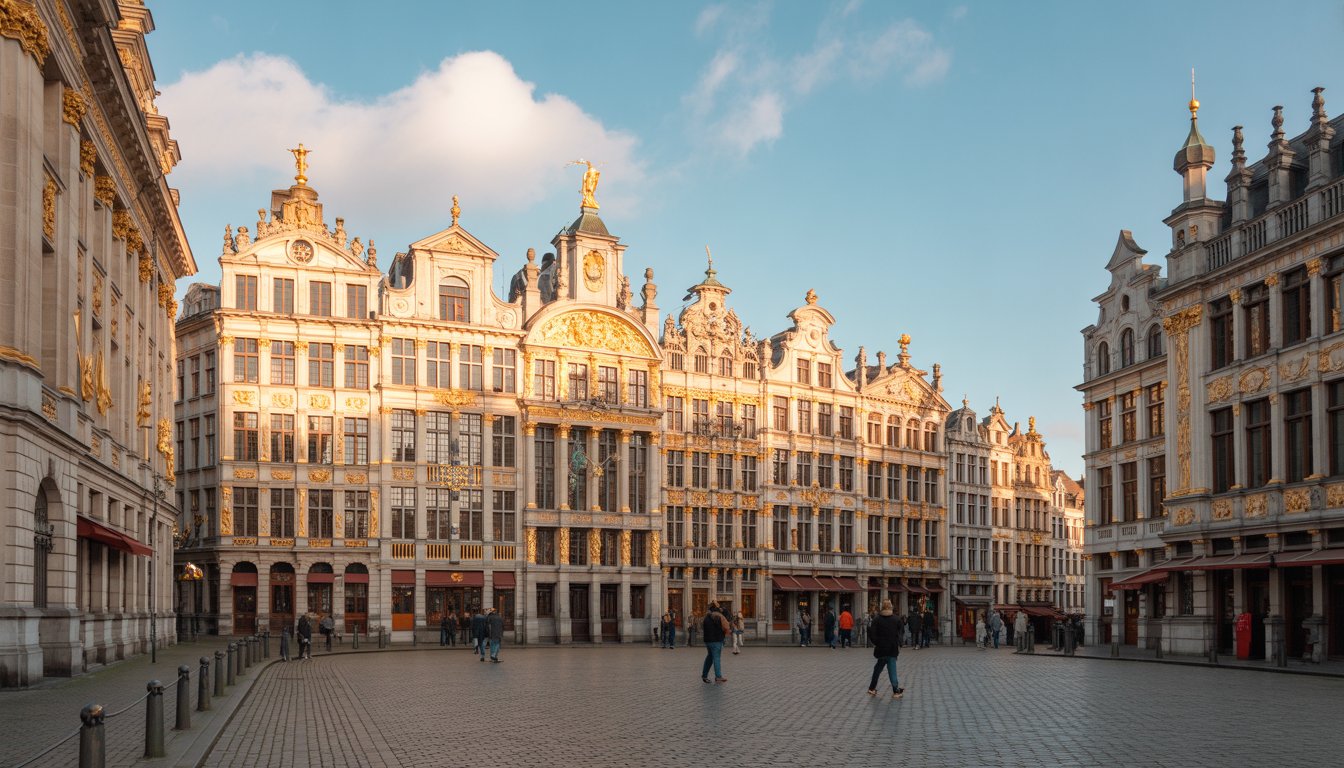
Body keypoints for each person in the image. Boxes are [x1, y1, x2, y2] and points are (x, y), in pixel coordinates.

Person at [867, 600, 904, 700]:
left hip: (881, 649)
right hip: (892, 648)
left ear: (882, 607)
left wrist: (877, 642)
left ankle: (872, 688)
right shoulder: (896, 619)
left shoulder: (877, 619)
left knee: (877, 669)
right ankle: (896, 690)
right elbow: (900, 633)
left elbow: (872, 634)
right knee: (892, 669)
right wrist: (899, 643)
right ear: (891, 607)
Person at [699, 601, 731, 683]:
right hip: (717, 640)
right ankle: (718, 676)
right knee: (716, 658)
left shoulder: (706, 617)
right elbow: (726, 626)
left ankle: (704, 675)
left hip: (708, 640)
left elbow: (701, 627)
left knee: (710, 657)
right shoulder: (719, 616)